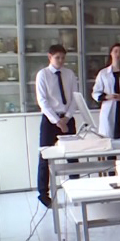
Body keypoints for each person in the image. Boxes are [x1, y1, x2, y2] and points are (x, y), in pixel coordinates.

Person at [35, 44, 78, 208]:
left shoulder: (69, 74)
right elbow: (42, 101)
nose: (60, 61)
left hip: (67, 118)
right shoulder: (43, 75)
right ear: (50, 57)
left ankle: (76, 189)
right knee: (45, 156)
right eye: (57, 57)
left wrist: (66, 118)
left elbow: (75, 98)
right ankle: (43, 194)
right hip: (50, 120)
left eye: (63, 58)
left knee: (73, 155)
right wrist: (57, 121)